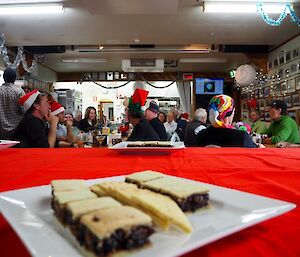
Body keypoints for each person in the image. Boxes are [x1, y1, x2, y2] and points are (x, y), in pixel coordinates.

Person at [0, 68, 25, 139]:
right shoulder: (19, 91)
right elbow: (24, 110)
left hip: (1, 130)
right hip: (16, 129)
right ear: (14, 79)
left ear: (4, 78)